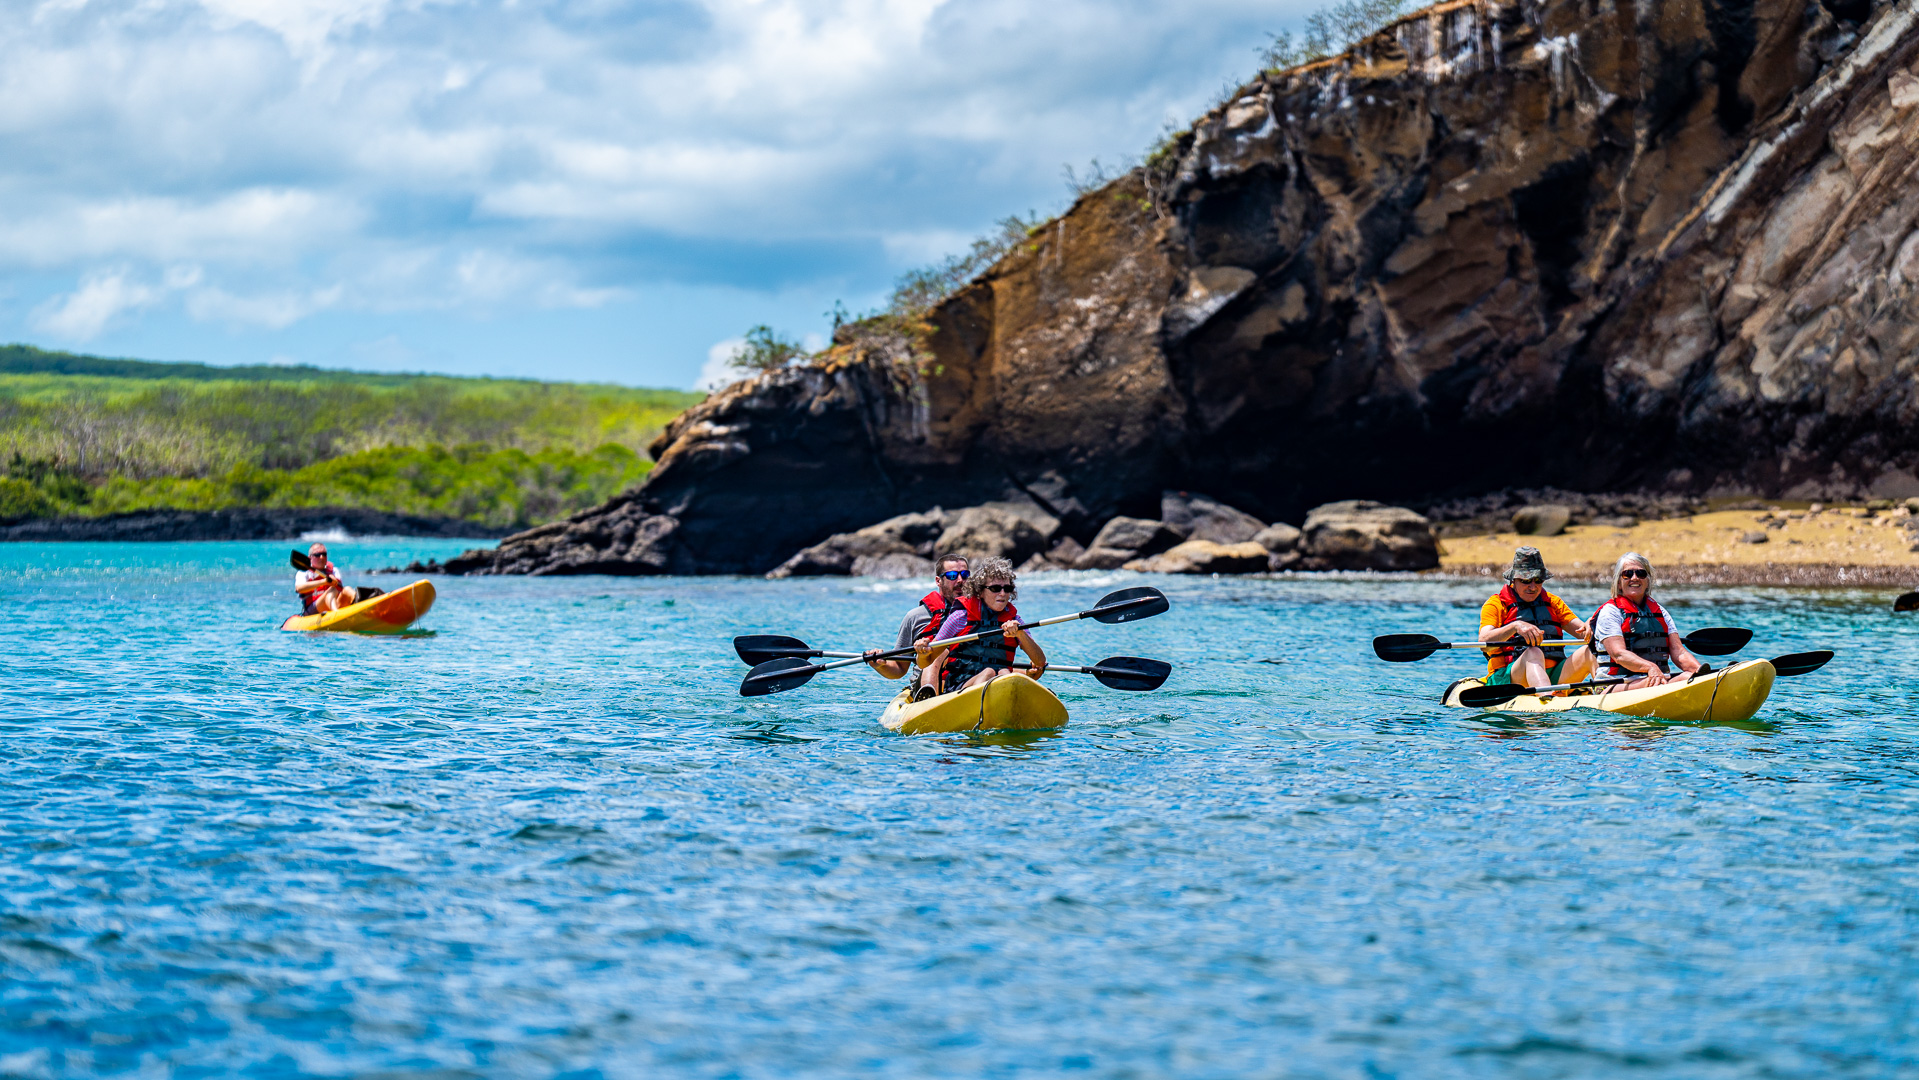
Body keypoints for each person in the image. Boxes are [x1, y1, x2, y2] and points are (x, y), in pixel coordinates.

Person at [918, 556, 1047, 695]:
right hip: (960, 688)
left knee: (1004, 673)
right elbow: (926, 662)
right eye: (995, 588)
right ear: (980, 591)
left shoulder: (1015, 621)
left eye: (1007, 588)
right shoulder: (960, 617)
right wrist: (922, 652)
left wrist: (1020, 634)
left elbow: (1040, 662)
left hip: (1000, 685)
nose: (1002, 594)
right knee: (988, 672)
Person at [1477, 546, 1595, 693]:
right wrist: (1515, 626)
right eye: (1526, 580)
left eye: (1538, 580)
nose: (1533, 587)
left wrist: (1593, 624)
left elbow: (1583, 633)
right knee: (1533, 652)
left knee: (1589, 651)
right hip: (1510, 678)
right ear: (1514, 579)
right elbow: (1484, 642)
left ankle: (1606, 693)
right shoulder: (1496, 604)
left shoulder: (1553, 602)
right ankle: (1546, 697)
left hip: (1555, 675)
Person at [1590, 552, 1702, 689]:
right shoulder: (1610, 612)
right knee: (1680, 679)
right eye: (1628, 574)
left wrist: (1700, 672)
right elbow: (1618, 654)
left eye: (1641, 574)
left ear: (1648, 580)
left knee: (1689, 678)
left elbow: (1679, 652)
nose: (1635, 578)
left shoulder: (1661, 612)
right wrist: (1651, 668)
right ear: (1619, 583)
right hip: (1614, 684)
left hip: (1657, 681)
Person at [865, 553, 969, 697]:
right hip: (928, 685)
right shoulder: (915, 617)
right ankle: (927, 696)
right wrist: (880, 665)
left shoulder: (982, 613)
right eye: (952, 575)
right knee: (939, 650)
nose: (960, 580)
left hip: (968, 681)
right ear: (938, 581)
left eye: (965, 575)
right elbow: (899, 668)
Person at [295, 543, 361, 614]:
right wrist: (324, 581)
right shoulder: (304, 572)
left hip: (334, 604)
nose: (321, 557)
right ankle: (336, 614)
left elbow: (340, 590)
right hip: (313, 609)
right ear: (310, 558)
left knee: (347, 589)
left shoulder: (334, 570)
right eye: (317, 555)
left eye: (324, 554)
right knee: (331, 590)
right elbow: (299, 588)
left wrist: (335, 582)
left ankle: (362, 608)